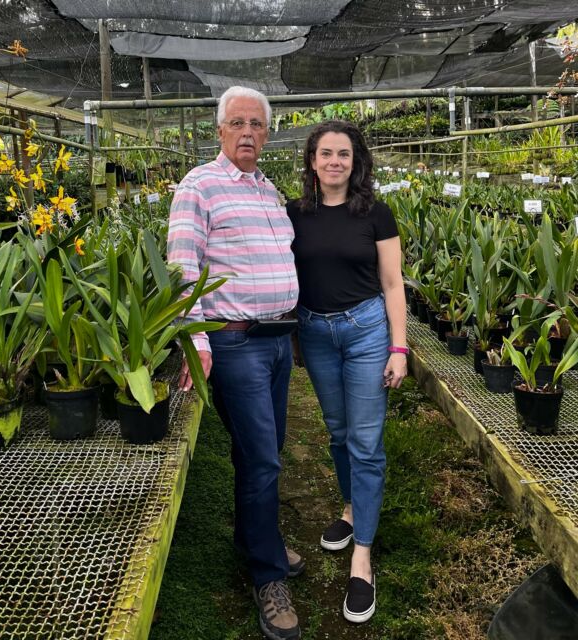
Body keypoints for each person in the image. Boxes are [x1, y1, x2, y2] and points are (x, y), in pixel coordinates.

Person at [167, 86, 302, 640]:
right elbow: (181, 262)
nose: (248, 132)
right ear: (219, 130)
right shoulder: (199, 185)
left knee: (264, 451)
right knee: (264, 458)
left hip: (275, 343)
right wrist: (196, 340)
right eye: (237, 123)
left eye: (257, 124)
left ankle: (253, 537)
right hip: (235, 342)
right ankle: (269, 576)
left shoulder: (270, 190)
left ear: (267, 134)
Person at [286, 120, 407, 624]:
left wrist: (398, 347)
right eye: (325, 153)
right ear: (312, 161)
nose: (335, 161)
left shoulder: (376, 213)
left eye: (344, 154)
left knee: (364, 441)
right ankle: (353, 507)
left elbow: (394, 283)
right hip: (315, 332)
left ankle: (362, 555)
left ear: (356, 162)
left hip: (365, 331)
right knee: (337, 433)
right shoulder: (294, 213)